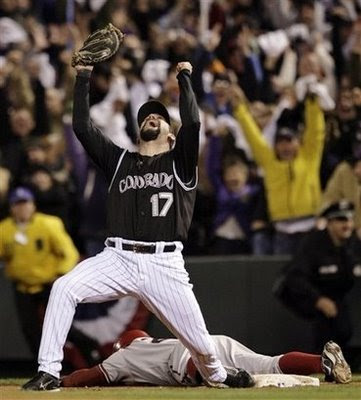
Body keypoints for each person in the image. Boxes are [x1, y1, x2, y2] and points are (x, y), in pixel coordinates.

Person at [22, 60, 252, 391]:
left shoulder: (180, 162)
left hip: (164, 263)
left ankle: (217, 375)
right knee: (63, 288)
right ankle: (48, 371)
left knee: (202, 345)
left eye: (158, 116)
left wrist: (185, 77)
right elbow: (83, 127)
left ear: (171, 136)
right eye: (146, 116)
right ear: (137, 129)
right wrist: (84, 77)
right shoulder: (119, 161)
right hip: (117, 257)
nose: (151, 117)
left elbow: (194, 121)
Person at [61, 329, 352, 388]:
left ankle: (226, 376)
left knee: (190, 368)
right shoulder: (149, 341)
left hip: (186, 356)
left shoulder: (122, 357)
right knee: (269, 363)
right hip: (213, 341)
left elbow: (88, 376)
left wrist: (61, 380)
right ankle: (319, 362)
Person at [230, 85, 326, 254]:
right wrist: (239, 108)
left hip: (310, 227)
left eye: (289, 141)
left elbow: (316, 133)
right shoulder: (269, 162)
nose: (285, 146)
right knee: (284, 277)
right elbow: (253, 137)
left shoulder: (309, 157)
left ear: (298, 142)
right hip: (282, 231)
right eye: (280, 142)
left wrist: (312, 103)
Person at [0, 187, 79, 357]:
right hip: (22, 287)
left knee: (61, 325)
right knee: (30, 329)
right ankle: (41, 367)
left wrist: (60, 274)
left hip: (48, 284)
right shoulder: (4, 229)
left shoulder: (48, 223)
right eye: (18, 204)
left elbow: (69, 253)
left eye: (25, 203)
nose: (22, 208)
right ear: (11, 208)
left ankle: (90, 353)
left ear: (33, 205)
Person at [273, 200, 361, 352]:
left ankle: (339, 364)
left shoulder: (352, 243)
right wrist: (318, 299)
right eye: (341, 220)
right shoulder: (314, 243)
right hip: (305, 298)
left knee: (344, 330)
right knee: (324, 327)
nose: (347, 225)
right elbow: (295, 277)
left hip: (335, 296)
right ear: (330, 223)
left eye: (349, 219)